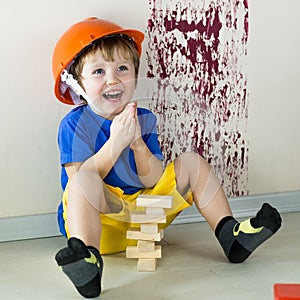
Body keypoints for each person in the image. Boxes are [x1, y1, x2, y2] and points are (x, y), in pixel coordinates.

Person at [52, 17, 282, 298]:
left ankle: (230, 235)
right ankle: (88, 259)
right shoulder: (74, 125)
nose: (113, 79)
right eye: (99, 71)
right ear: (77, 84)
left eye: (122, 69)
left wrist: (136, 144)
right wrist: (115, 143)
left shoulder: (144, 119)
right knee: (84, 181)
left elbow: (154, 178)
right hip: (101, 225)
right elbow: (78, 182)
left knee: (191, 164)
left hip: (143, 217)